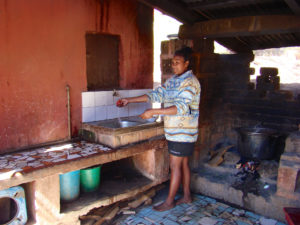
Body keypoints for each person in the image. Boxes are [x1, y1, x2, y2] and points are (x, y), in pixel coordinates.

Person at [117, 47, 201, 211]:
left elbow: (180, 108)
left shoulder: (190, 82)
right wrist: (129, 100)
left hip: (183, 133)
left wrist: (153, 111)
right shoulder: (173, 81)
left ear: (187, 63)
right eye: (172, 62)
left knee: (175, 166)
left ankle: (169, 202)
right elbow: (156, 95)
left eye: (177, 63)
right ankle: (187, 196)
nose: (173, 65)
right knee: (183, 164)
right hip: (176, 132)